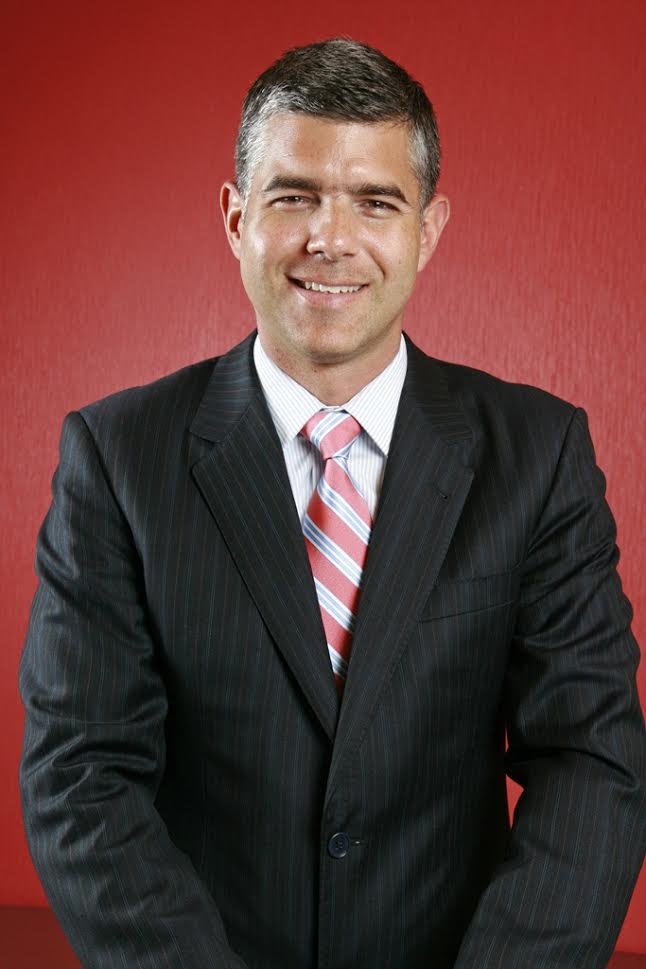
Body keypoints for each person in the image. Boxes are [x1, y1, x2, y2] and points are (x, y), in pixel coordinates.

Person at [19, 37, 645, 969]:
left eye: (375, 202)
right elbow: (81, 776)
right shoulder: (116, 456)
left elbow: (591, 760)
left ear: (428, 230)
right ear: (236, 218)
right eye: (294, 196)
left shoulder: (540, 454)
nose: (331, 238)